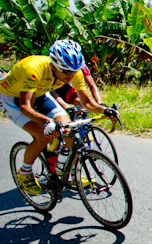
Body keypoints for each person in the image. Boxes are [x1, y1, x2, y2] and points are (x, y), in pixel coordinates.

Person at [0, 40, 120, 195]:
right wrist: (47, 122)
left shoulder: (73, 72)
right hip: (12, 99)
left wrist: (105, 110)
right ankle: (25, 172)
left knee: (70, 131)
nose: (70, 77)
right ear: (53, 66)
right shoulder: (33, 69)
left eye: (73, 72)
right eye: (66, 72)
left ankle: (68, 174)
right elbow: (25, 106)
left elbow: (87, 103)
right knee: (43, 136)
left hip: (41, 94)